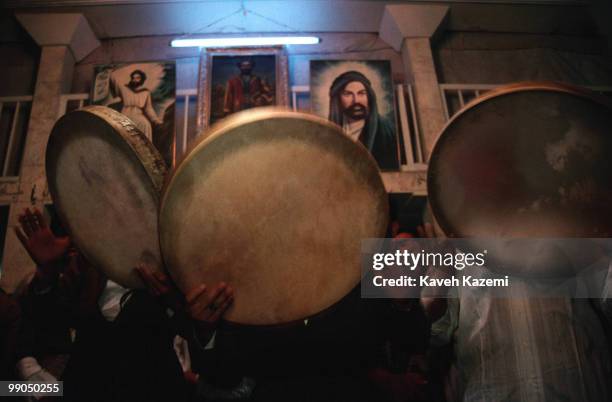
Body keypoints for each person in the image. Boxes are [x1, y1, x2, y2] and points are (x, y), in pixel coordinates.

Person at [14, 207, 234, 402]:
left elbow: (224, 379)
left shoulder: (168, 279)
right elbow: (34, 339)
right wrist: (46, 272)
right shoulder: (79, 279)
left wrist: (203, 330)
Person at [410, 222, 612, 402]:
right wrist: (441, 267)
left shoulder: (563, 228)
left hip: (575, 389)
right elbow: (436, 327)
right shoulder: (459, 248)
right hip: (494, 392)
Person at [328, 70, 399, 170]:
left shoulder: (387, 133)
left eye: (361, 93)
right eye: (348, 94)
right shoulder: (328, 133)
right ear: (338, 99)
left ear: (369, 97)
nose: (356, 100)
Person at [111, 69, 163, 142]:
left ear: (142, 79)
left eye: (137, 78)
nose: (135, 80)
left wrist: (155, 120)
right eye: (133, 78)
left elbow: (148, 108)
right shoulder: (124, 89)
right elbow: (114, 81)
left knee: (146, 124)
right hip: (126, 114)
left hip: (138, 115)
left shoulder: (146, 92)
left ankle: (144, 151)